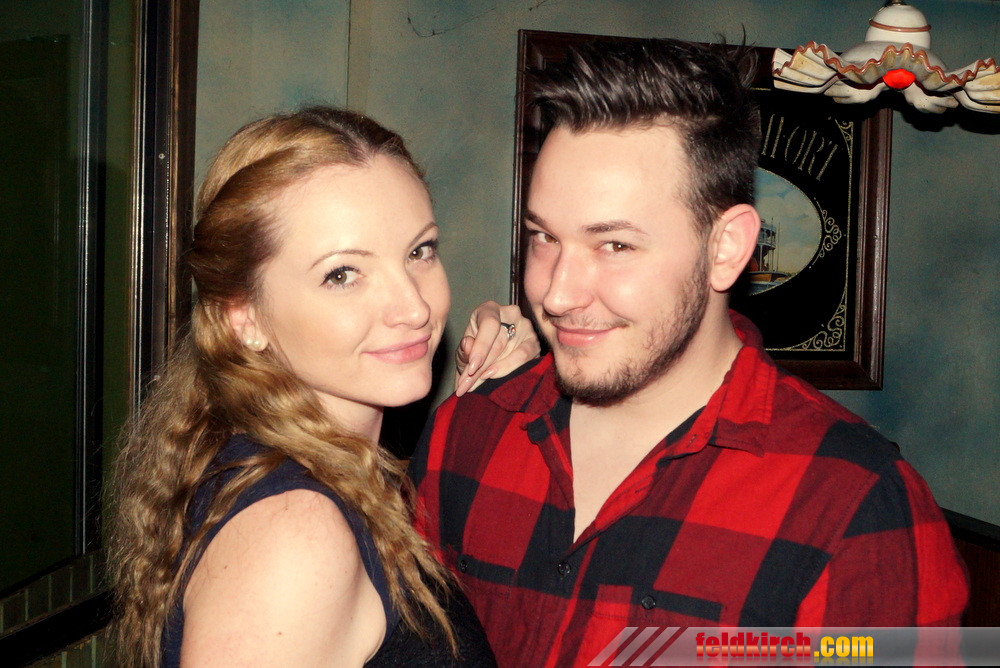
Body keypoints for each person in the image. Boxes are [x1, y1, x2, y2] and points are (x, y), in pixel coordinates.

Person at [410, 38, 969, 667]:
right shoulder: (467, 433)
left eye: (615, 245)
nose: (556, 293)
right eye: (544, 237)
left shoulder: (851, 502)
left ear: (726, 248)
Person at [107, 106, 537, 666]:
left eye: (419, 251)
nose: (414, 307)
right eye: (342, 274)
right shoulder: (296, 535)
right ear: (244, 316)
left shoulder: (297, 468)